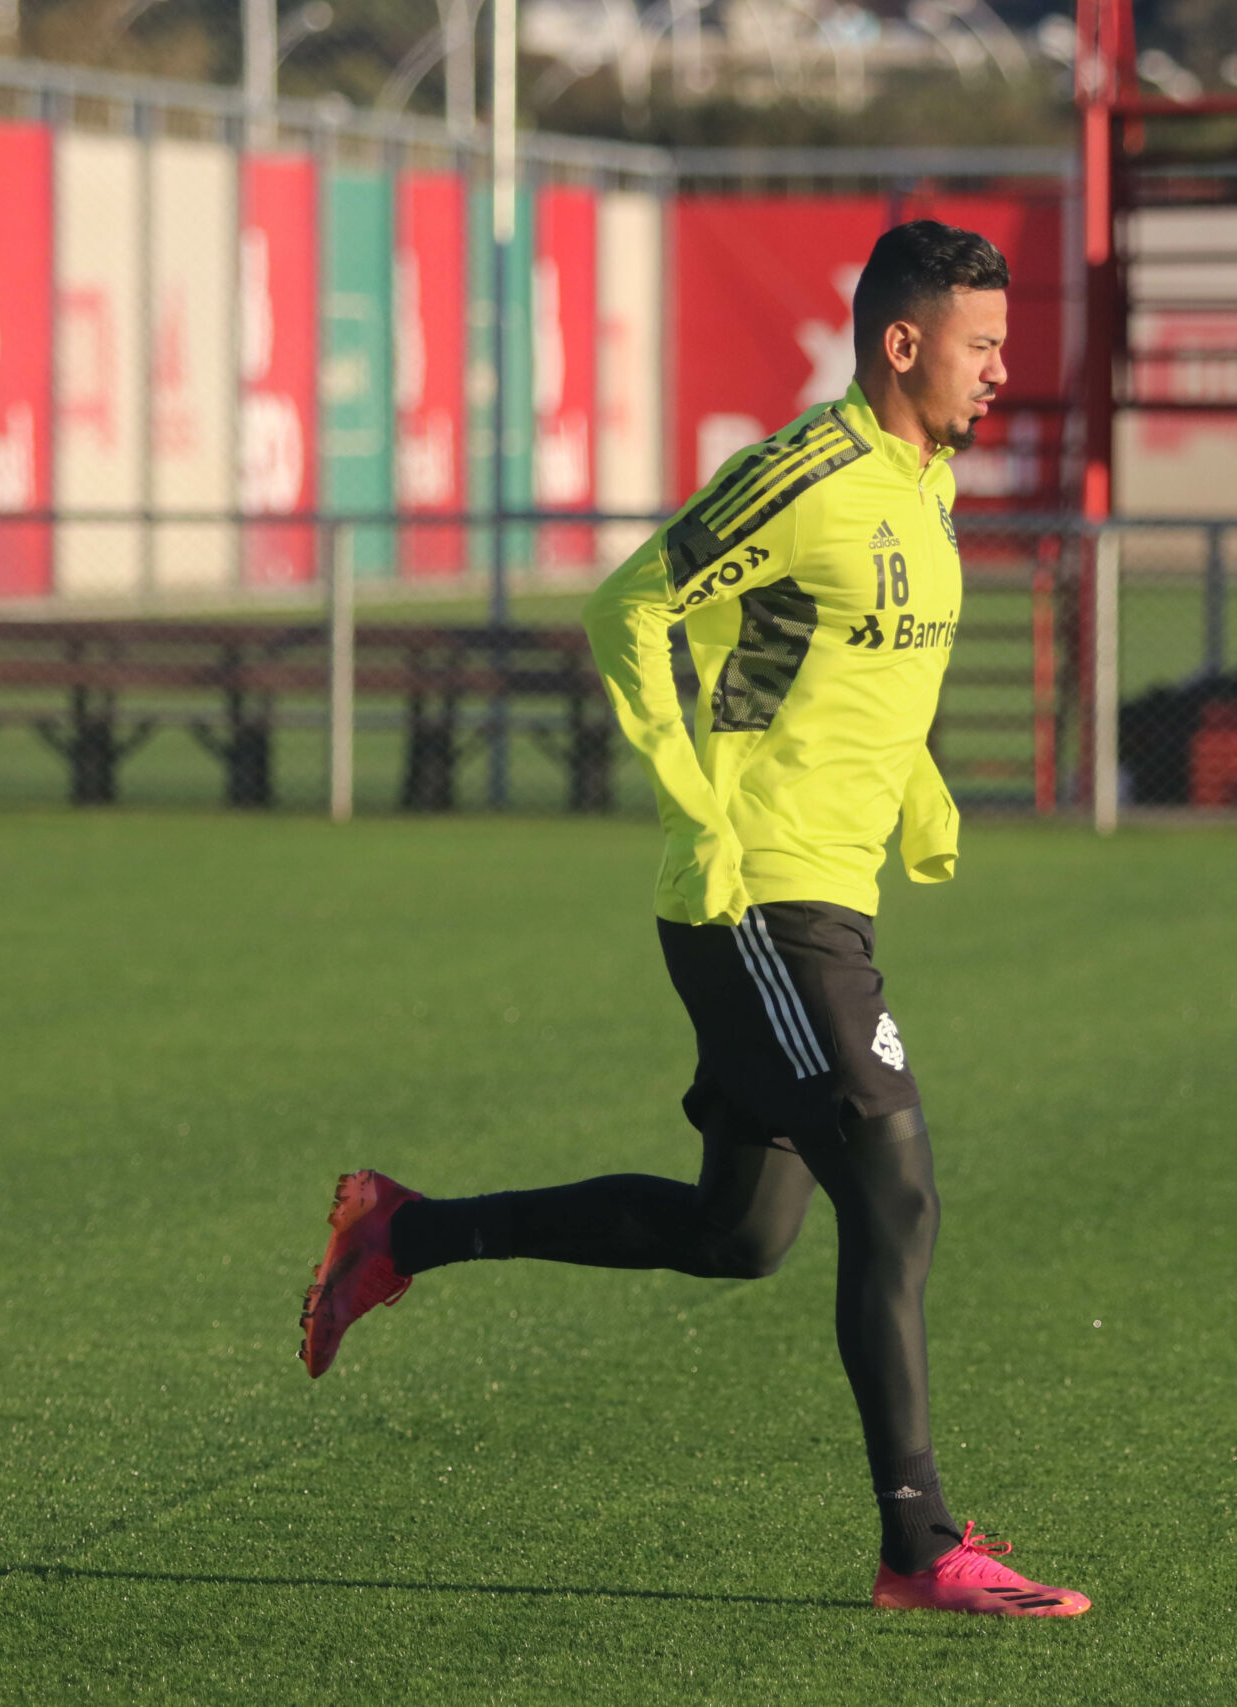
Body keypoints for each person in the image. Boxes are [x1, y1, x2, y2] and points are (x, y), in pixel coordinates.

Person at [297, 220, 1087, 1619]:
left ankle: (398, 1235)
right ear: (903, 342)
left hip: (830, 892)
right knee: (895, 1192)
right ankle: (919, 1548)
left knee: (740, 1234)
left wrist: (921, 788)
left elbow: (848, 668)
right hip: (760, 897)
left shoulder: (926, 486)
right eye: (980, 345)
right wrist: (694, 803)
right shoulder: (807, 472)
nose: (999, 371)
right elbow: (630, 607)